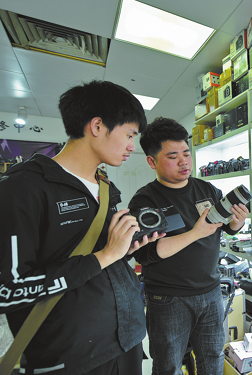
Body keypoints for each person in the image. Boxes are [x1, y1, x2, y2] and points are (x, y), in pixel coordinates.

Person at [0, 80, 160, 375]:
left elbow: (98, 256)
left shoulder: (105, 186)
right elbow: (8, 290)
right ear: (97, 126)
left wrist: (123, 250)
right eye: (129, 134)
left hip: (128, 339)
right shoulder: (23, 187)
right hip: (70, 357)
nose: (131, 146)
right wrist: (105, 256)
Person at [129, 117, 249, 375]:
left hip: (211, 292)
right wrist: (195, 233)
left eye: (186, 153)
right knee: (168, 365)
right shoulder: (145, 200)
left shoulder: (207, 189)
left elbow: (226, 228)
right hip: (168, 299)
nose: (184, 162)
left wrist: (238, 222)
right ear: (151, 161)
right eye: (173, 156)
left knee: (213, 358)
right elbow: (145, 254)